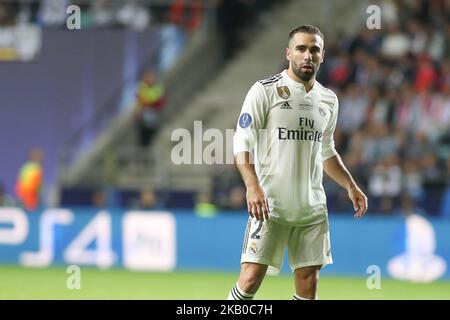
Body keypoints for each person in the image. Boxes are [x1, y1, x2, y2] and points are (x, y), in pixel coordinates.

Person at [229, 25, 368, 300]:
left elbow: (326, 150)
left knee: (308, 285)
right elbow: (241, 142)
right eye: (301, 49)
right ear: (288, 53)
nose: (308, 55)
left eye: (314, 50)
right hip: (270, 205)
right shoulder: (264, 91)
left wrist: (350, 186)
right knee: (250, 279)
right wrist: (252, 186)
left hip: (311, 209)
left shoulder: (328, 100)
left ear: (323, 55)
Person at [134, 71, 165, 148]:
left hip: (153, 114)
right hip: (144, 116)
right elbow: (140, 101)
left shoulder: (157, 88)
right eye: (149, 78)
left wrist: (149, 101)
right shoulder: (142, 88)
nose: (151, 80)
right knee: (143, 136)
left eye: (152, 78)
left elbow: (158, 101)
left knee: (151, 134)